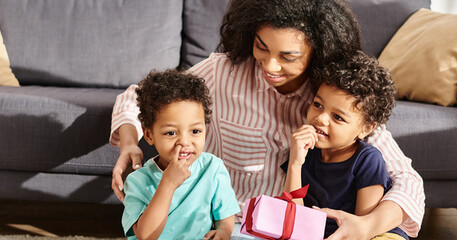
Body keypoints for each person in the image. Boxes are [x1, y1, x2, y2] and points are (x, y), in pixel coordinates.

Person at [110, 0, 425, 238]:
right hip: (227, 226)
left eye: (288, 57)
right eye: (262, 47)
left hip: (288, 227)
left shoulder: (330, 99)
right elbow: (138, 97)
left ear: (319, 52)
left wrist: (367, 224)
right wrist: (129, 144)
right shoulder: (223, 72)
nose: (270, 66)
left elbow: (408, 181)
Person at [282, 52, 408, 240]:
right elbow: (295, 219)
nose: (321, 119)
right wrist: (295, 163)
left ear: (365, 128)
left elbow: (362, 227)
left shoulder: (367, 159)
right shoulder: (305, 152)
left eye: (338, 117)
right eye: (318, 105)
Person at [120, 70, 239, 240]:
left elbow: (225, 216)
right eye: (171, 133)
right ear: (148, 135)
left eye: (195, 131)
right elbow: (146, 236)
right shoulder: (137, 182)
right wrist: (168, 183)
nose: (185, 142)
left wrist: (223, 232)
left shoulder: (212, 167)